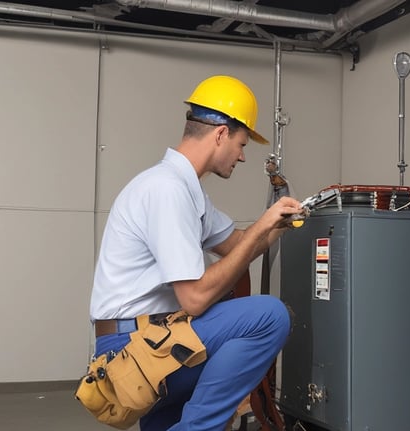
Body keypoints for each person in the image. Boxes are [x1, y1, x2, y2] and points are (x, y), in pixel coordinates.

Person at [89, 75, 302, 430]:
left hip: (156, 337)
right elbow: (196, 299)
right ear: (220, 134)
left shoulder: (188, 192)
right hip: (132, 349)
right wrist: (262, 226)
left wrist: (277, 224)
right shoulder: (166, 190)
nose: (243, 157)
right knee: (270, 316)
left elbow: (238, 245)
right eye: (241, 143)